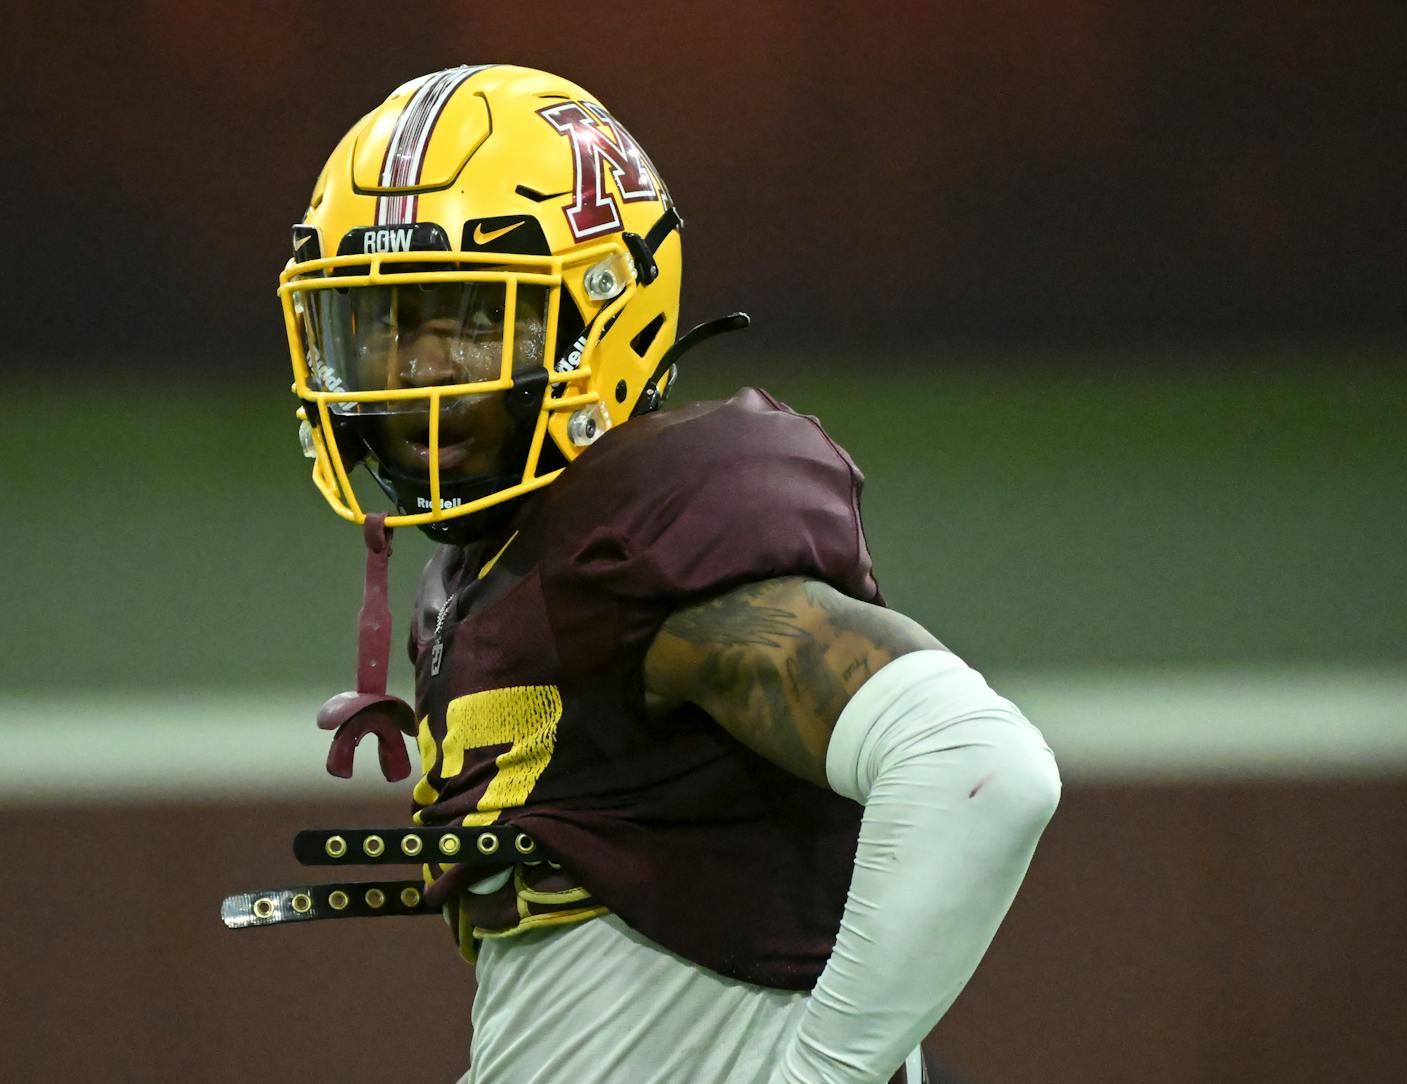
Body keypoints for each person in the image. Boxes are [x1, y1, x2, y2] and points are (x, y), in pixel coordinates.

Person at [279, 64, 1061, 1084]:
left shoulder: (641, 550)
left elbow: (977, 764)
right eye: (385, 326)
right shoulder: (492, 570)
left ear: (605, 310)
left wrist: (825, 1073)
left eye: (470, 320)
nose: (417, 371)